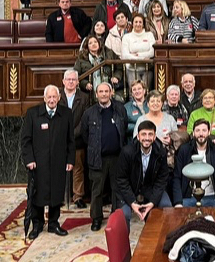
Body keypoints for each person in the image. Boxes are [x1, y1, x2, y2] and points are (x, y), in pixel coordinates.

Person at [21, 84, 75, 239]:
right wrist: (29, 159)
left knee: (56, 193)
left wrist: (70, 159)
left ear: (59, 98)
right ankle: (36, 225)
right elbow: (26, 140)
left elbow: (70, 140)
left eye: (54, 97)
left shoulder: (66, 114)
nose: (52, 100)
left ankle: (53, 223)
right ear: (44, 98)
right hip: (38, 164)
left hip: (59, 162)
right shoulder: (33, 114)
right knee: (38, 194)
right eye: (49, 97)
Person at [81, 82, 128, 231]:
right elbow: (85, 134)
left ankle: (116, 217)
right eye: (100, 91)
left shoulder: (120, 109)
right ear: (96, 94)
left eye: (106, 91)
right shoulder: (89, 113)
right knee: (97, 191)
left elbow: (124, 128)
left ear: (111, 93)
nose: (103, 94)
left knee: (117, 189)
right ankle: (96, 218)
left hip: (116, 157)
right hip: (97, 158)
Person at [115, 120, 172, 229]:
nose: (147, 138)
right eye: (143, 134)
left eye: (150, 134)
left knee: (166, 207)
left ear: (155, 137)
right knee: (124, 214)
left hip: (150, 188)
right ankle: (124, 245)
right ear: (138, 136)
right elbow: (121, 179)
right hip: (130, 188)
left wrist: (152, 203)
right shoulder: (127, 152)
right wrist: (132, 202)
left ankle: (158, 239)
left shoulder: (161, 152)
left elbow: (162, 179)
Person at [173, 119, 215, 208]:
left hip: (213, 197)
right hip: (189, 198)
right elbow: (176, 177)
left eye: (204, 130)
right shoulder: (184, 150)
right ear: (193, 133)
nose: (201, 134)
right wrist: (178, 202)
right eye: (197, 130)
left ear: (209, 132)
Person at [58, 69, 91, 209]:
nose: (71, 82)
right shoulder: (57, 96)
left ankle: (78, 196)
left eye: (73, 80)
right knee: (59, 168)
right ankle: (59, 196)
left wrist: (71, 134)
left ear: (78, 82)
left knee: (78, 168)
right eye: (68, 79)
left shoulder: (84, 97)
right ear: (63, 81)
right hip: (59, 139)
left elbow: (85, 119)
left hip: (78, 139)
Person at [121, 13, 155, 85]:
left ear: (143, 24)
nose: (138, 24)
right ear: (132, 23)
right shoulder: (126, 37)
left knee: (146, 91)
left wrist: (137, 55)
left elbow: (152, 52)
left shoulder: (149, 35)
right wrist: (143, 59)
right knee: (134, 92)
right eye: (136, 22)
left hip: (147, 69)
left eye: (140, 22)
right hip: (132, 69)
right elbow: (125, 55)